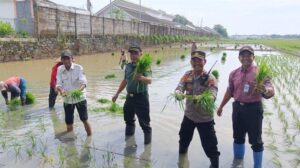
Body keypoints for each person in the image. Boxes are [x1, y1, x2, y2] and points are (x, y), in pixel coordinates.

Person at [217, 46, 275, 168]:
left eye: (249, 55)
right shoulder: (234, 73)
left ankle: (257, 166)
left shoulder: (260, 72)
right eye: (243, 55)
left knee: (256, 141)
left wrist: (264, 89)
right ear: (239, 58)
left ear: (253, 57)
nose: (246, 58)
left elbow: (271, 90)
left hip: (253, 109)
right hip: (237, 108)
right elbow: (229, 91)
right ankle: (238, 162)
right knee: (238, 137)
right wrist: (221, 106)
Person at [175, 51, 220, 168]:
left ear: (205, 62)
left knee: (210, 147)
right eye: (194, 60)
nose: (196, 63)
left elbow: (212, 95)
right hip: (189, 116)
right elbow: (180, 87)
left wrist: (203, 98)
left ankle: (215, 165)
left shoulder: (210, 78)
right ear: (191, 62)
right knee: (183, 140)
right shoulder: (187, 75)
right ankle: (182, 162)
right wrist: (178, 93)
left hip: (205, 119)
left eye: (199, 60)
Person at [112, 45, 152, 144]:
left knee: (145, 124)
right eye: (131, 53)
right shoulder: (128, 66)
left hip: (141, 98)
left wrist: (141, 78)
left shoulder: (145, 65)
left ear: (140, 54)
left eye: (136, 53)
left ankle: (147, 151)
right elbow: (125, 80)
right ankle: (129, 145)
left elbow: (150, 80)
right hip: (129, 98)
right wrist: (117, 94)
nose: (133, 55)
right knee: (128, 121)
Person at [56, 50, 92, 136]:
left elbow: (84, 83)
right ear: (62, 60)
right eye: (64, 59)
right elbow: (58, 84)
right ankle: (70, 140)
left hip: (80, 98)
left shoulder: (79, 68)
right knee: (69, 122)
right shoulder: (60, 69)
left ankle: (90, 139)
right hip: (67, 99)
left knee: (84, 119)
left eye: (68, 58)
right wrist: (61, 90)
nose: (66, 61)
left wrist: (77, 91)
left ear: (72, 59)